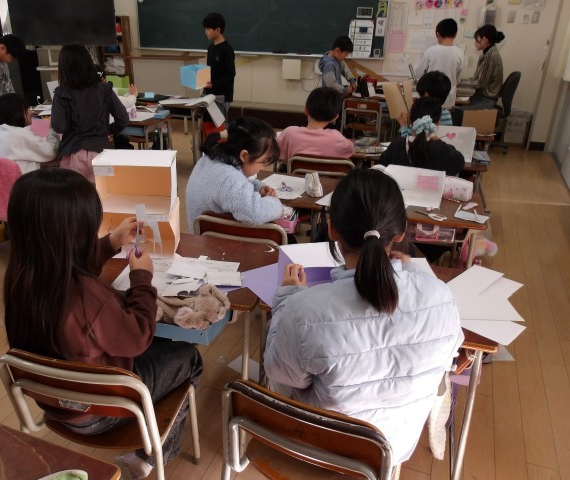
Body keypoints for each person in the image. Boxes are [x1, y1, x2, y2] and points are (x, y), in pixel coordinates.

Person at [4, 168, 202, 479]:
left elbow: (66, 263)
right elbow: (139, 336)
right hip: (101, 410)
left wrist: (110, 242)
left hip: (54, 403)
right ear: (78, 232)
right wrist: (142, 276)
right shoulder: (87, 297)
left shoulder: (21, 277)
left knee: (163, 347)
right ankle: (151, 455)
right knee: (190, 357)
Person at [263, 168, 463, 467]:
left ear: (332, 230)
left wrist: (286, 298)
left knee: (287, 359)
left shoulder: (303, 309)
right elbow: (449, 355)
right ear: (400, 234)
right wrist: (412, 276)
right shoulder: (441, 296)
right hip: (392, 449)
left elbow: (279, 374)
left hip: (321, 447)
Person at [185, 116, 283, 232]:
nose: (262, 168)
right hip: (218, 241)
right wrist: (276, 204)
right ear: (244, 155)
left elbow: (233, 187)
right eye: (262, 162)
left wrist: (258, 187)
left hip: (202, 236)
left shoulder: (209, 160)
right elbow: (254, 213)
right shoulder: (229, 177)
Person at [51, 44, 128, 183]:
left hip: (72, 154)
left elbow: (59, 127)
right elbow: (123, 119)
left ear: (63, 68)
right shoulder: (104, 90)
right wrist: (108, 130)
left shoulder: (61, 94)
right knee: (103, 192)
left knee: (73, 195)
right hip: (101, 154)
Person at [379, 96, 464, 176]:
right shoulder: (442, 149)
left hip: (400, 187)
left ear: (410, 120)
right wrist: (441, 143)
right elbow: (459, 163)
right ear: (438, 123)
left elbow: (383, 163)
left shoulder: (397, 145)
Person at [0, 93, 59, 174]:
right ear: (17, 113)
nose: (31, 112)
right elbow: (50, 153)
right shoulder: (21, 134)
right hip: (24, 179)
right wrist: (52, 130)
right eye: (27, 109)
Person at [277, 87, 355, 160]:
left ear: (306, 110)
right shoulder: (336, 138)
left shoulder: (289, 133)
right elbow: (351, 149)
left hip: (296, 171)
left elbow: (277, 153)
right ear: (334, 118)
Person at [414, 18, 463, 110]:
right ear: (455, 34)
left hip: (429, 100)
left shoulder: (430, 51)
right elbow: (458, 78)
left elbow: (418, 73)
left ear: (437, 34)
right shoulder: (459, 53)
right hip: (448, 100)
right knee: (446, 118)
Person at [202, 12, 236, 120]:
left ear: (217, 30)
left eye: (208, 29)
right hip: (208, 94)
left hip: (222, 95)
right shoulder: (210, 48)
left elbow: (230, 74)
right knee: (206, 123)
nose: (206, 32)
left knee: (219, 125)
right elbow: (210, 70)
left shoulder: (226, 49)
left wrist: (214, 83)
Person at [95, 64, 137, 150]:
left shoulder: (78, 93)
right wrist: (134, 94)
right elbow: (126, 103)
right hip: (102, 137)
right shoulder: (106, 91)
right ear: (103, 79)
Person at [462, 25, 505, 108]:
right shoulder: (489, 53)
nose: (475, 43)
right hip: (484, 96)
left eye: (476, 40)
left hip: (486, 99)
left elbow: (480, 84)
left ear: (484, 40)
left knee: (457, 108)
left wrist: (458, 84)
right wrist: (462, 81)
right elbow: (476, 78)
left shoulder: (490, 56)